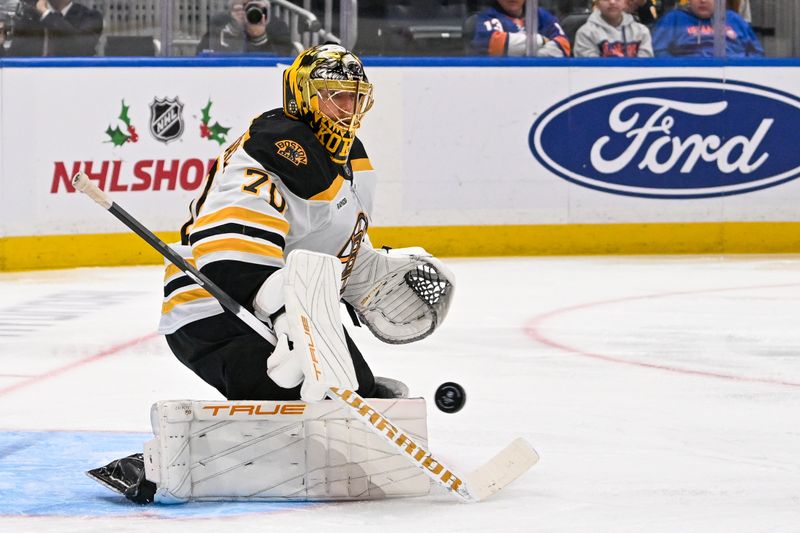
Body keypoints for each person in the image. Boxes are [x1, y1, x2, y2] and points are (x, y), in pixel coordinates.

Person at [86, 43, 455, 504]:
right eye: (334, 95)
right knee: (339, 408)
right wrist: (291, 323)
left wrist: (373, 276)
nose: (348, 107)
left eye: (355, 97)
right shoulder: (275, 150)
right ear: (303, 95)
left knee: (360, 397)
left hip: (286, 309)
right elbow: (230, 261)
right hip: (215, 309)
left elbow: (329, 250)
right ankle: (160, 464)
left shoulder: (351, 158)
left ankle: (257, 440)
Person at [651, 0, 763, 57]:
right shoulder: (673, 19)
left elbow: (756, 53)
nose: (702, 0)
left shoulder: (735, 20)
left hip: (735, 78)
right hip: (688, 79)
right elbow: (658, 53)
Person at [470, 0, 572, 57]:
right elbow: (495, 44)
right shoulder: (488, 17)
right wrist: (542, 40)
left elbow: (563, 46)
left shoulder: (541, 15)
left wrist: (532, 58)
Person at [196, 0, 294, 56]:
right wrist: (232, 30)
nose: (249, 11)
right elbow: (203, 55)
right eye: (244, 6)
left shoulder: (275, 24)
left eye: (254, 5)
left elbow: (282, 59)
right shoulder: (221, 22)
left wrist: (259, 38)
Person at [7, 0, 102, 57]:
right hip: (34, 81)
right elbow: (14, 56)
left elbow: (79, 48)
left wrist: (46, 14)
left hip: (74, 80)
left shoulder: (90, 16)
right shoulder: (30, 17)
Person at [574, 0, 653, 57]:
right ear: (597, 3)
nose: (612, 2)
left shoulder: (642, 32)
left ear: (626, 2)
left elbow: (645, 67)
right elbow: (589, 69)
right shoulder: (585, 33)